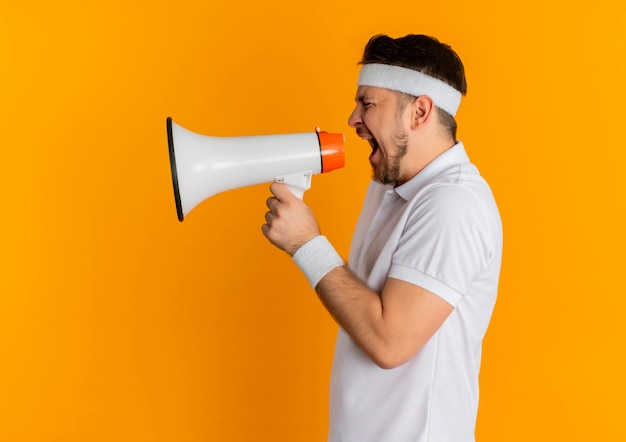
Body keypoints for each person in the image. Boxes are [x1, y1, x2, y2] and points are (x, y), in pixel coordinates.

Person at [262, 34, 503, 442]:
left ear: (419, 112)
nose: (353, 119)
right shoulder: (390, 186)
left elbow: (389, 342)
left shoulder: (452, 204)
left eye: (367, 103)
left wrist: (306, 244)